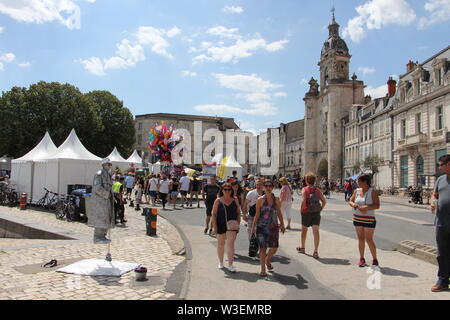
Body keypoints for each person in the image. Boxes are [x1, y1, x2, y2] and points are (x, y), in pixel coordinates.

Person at [252, 180, 285, 277]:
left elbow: (279, 212)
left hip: (273, 227)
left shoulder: (277, 200)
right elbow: (257, 215)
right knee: (262, 249)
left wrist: (282, 224)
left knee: (274, 247)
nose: (268, 187)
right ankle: (263, 269)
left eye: (270, 186)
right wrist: (253, 227)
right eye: (266, 186)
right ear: (263, 188)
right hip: (261, 227)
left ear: (273, 187)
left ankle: (268, 260)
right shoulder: (260, 200)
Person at [348, 174, 380, 267]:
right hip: (357, 217)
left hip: (369, 219)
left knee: (369, 239)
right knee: (360, 239)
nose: (357, 182)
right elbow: (350, 201)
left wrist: (367, 207)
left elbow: (377, 205)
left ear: (365, 182)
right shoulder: (357, 191)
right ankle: (361, 258)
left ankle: (374, 259)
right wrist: (353, 204)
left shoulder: (372, 192)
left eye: (359, 181)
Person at [430, 154, 450, 292]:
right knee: (442, 253)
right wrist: (432, 201)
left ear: (449, 164)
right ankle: (442, 280)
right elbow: (435, 194)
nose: (439, 167)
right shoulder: (441, 179)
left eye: (441, 164)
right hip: (441, 223)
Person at [211, 183, 241, 273]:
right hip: (220, 225)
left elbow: (238, 213)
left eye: (229, 189)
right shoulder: (218, 200)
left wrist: (238, 224)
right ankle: (221, 262)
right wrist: (214, 227)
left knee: (230, 245)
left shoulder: (235, 199)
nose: (227, 191)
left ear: (231, 191)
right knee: (220, 244)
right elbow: (214, 214)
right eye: (225, 189)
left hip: (232, 226)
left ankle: (231, 265)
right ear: (222, 190)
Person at [297, 173, 326, 259]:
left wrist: (301, 210)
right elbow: (324, 201)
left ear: (306, 180)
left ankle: (302, 247)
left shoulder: (305, 189)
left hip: (306, 212)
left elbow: (303, 201)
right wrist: (320, 209)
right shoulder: (317, 190)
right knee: (316, 231)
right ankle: (316, 251)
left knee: (304, 231)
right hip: (316, 213)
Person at [87, 158, 115, 244]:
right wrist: (106, 194)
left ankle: (103, 236)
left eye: (110, 164)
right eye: (108, 164)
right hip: (100, 201)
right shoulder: (99, 174)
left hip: (107, 201)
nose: (109, 166)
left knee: (106, 218)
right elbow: (97, 188)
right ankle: (97, 237)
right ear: (103, 165)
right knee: (100, 218)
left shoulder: (108, 175)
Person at [243, 179, 264, 258]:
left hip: (262, 216)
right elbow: (245, 204)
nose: (258, 186)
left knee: (261, 233)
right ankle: (253, 246)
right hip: (252, 215)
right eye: (257, 185)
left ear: (263, 185)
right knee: (250, 231)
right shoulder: (251, 193)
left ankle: (258, 248)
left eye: (260, 185)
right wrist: (244, 214)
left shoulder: (265, 193)